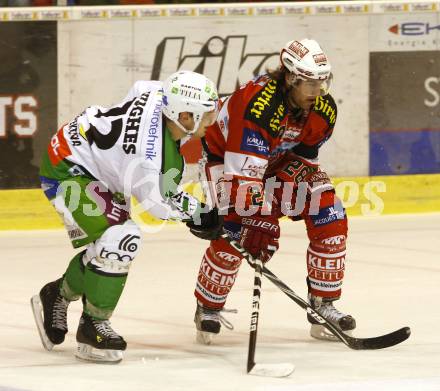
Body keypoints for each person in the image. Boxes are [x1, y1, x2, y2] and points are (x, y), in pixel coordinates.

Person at [31, 70, 222, 363]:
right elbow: (158, 205)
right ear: (184, 117)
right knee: (122, 238)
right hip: (68, 168)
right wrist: (201, 215)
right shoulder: (148, 159)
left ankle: (57, 294)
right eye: (206, 115)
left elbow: (139, 87)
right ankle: (92, 325)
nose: (212, 121)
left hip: (93, 159)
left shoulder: (162, 97)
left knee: (105, 248)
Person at [192, 39, 356, 344]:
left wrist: (287, 200)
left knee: (329, 212)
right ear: (290, 78)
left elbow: (305, 162)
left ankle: (324, 306)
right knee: (237, 229)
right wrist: (261, 216)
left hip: (277, 163)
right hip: (225, 160)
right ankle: (209, 307)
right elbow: (244, 176)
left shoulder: (324, 109)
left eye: (323, 83)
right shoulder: (259, 105)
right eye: (310, 85)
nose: (319, 93)